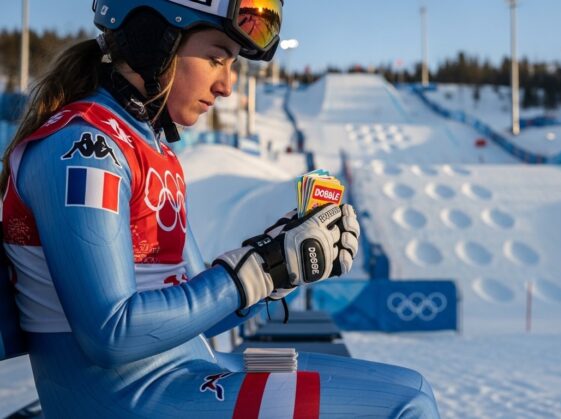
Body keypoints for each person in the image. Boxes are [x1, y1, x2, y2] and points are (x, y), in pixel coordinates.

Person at [0, 0, 440, 417]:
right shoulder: (84, 149)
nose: (227, 85)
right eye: (217, 57)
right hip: (131, 401)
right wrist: (256, 271)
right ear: (153, 38)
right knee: (404, 406)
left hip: (183, 372)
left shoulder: (151, 150)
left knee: (414, 388)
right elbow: (110, 333)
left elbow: (192, 314)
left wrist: (282, 265)